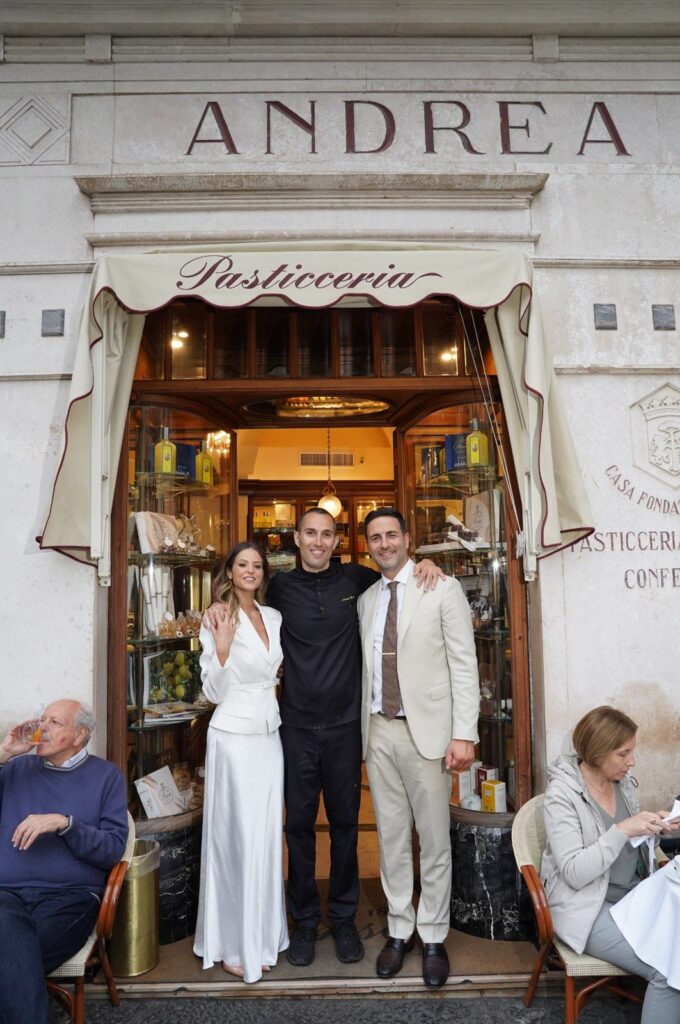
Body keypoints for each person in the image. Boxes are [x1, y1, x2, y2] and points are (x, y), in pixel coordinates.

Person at [204, 507, 442, 969]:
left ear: (337, 540)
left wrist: (430, 562)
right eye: (310, 533)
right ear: (296, 538)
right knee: (296, 828)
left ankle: (345, 918)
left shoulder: (358, 579)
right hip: (291, 728)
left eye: (327, 534)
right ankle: (306, 921)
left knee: (346, 826)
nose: (318, 541)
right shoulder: (277, 587)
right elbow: (242, 597)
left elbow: (401, 571)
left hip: (344, 729)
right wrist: (219, 605)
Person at [357, 508, 480, 989]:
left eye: (391, 535)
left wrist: (463, 732)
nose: (384, 544)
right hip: (378, 730)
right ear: (367, 545)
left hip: (426, 732)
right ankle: (398, 929)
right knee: (389, 839)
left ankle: (432, 936)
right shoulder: (366, 599)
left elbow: (464, 664)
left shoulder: (441, 587)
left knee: (432, 840)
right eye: (375, 538)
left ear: (407, 539)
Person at [541, 705, 680, 1024]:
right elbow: (574, 873)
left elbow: (634, 847)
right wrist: (622, 830)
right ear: (598, 751)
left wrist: (652, 828)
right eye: (623, 753)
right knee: (669, 970)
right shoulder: (562, 796)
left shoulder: (624, 785)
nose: (631, 761)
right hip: (586, 908)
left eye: (632, 751)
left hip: (633, 896)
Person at [193, 542, 288, 984]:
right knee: (235, 840)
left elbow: (274, 674)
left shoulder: (273, 617)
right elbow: (213, 692)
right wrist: (225, 649)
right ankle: (232, 943)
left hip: (269, 736)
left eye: (257, 565)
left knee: (266, 837)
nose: (250, 571)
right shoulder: (216, 617)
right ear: (228, 572)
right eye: (242, 565)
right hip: (232, 738)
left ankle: (264, 935)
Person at [0, 699, 128, 1024]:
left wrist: (65, 823)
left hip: (69, 898)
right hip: (6, 896)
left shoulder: (106, 777)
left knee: (11, 955)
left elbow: (113, 848)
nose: (42, 728)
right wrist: (4, 754)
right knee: (11, 948)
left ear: (79, 734)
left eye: (54, 723)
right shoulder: (15, 770)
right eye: (42, 719)